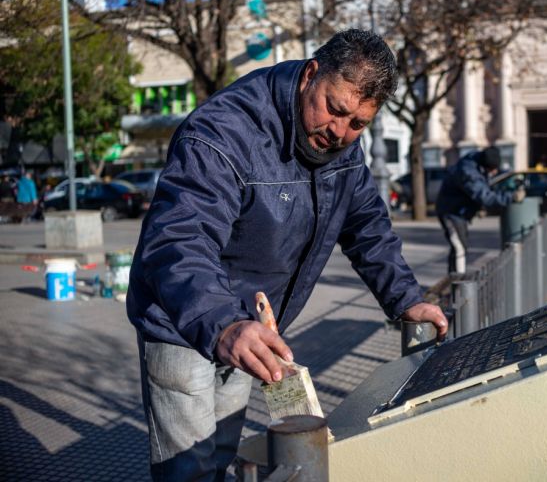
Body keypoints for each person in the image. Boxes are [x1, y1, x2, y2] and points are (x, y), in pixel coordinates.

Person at [126, 29, 448, 481]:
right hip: (185, 318)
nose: (339, 132)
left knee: (219, 458)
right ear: (309, 75)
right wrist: (223, 324)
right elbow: (181, 238)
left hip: (250, 325)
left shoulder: (344, 148)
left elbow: (367, 227)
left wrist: (406, 299)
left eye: (358, 123)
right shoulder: (224, 131)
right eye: (334, 109)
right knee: (190, 471)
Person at [435, 147, 525, 274]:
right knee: (459, 247)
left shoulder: (477, 161)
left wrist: (477, 207)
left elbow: (482, 187)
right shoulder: (468, 172)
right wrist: (511, 197)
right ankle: (459, 286)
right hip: (450, 212)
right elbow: (484, 196)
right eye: (493, 169)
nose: (494, 172)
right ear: (485, 166)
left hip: (459, 212)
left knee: (460, 246)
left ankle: (453, 279)